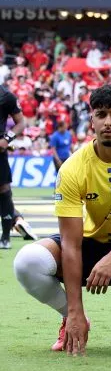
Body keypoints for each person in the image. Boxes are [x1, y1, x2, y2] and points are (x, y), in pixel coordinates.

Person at [13, 85, 111, 355]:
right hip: (91, 243)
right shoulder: (72, 167)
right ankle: (72, 319)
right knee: (27, 261)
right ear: (91, 121)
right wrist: (75, 310)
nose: (108, 122)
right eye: (101, 115)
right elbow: (71, 242)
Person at [0, 79, 27, 249]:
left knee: (3, 189)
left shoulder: (6, 96)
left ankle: (5, 237)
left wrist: (7, 139)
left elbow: (21, 122)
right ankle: (17, 218)